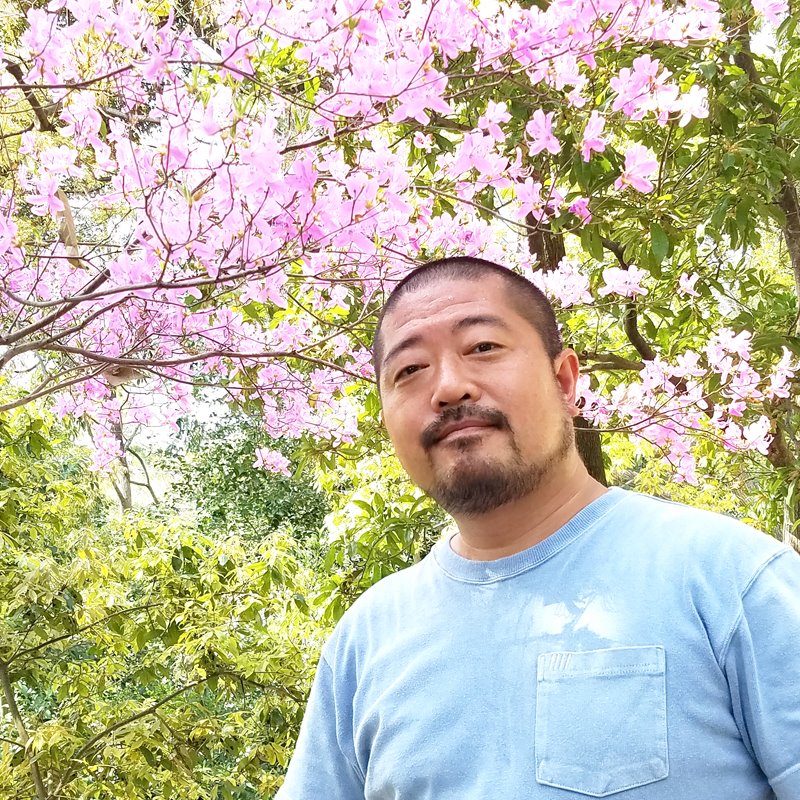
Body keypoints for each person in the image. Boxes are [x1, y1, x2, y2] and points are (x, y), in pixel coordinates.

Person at [276, 256, 800, 799]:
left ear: (565, 381)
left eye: (482, 347)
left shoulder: (734, 582)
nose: (449, 388)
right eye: (409, 371)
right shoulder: (365, 641)